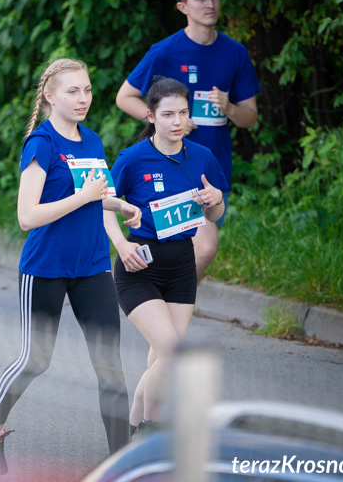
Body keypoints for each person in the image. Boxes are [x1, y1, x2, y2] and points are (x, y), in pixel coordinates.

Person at [0, 59, 142, 475]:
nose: (82, 98)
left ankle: (121, 462)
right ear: (49, 95)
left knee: (110, 367)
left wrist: (119, 203)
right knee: (36, 359)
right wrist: (85, 196)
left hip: (93, 266)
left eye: (86, 90)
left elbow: (94, 195)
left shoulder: (93, 141)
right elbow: (27, 216)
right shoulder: (41, 144)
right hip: (45, 267)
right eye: (72, 91)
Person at [115, 0, 260, 283]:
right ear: (183, 7)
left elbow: (250, 117)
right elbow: (125, 97)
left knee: (203, 248)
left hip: (210, 168)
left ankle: (165, 303)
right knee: (189, 245)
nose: (210, 3)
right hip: (166, 164)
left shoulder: (236, 53)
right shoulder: (165, 51)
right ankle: (157, 302)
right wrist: (168, 122)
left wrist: (230, 107)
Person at [104, 76, 226, 435]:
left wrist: (215, 201)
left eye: (183, 113)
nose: (177, 122)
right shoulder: (133, 158)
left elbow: (215, 215)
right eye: (168, 114)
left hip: (182, 267)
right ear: (150, 116)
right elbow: (105, 205)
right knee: (173, 352)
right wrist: (122, 245)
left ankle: (133, 435)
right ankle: (150, 430)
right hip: (139, 265)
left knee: (161, 358)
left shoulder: (202, 157)